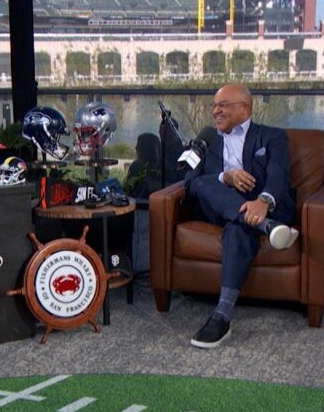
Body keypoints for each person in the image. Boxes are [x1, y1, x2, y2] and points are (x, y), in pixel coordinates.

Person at [184, 83, 299, 348]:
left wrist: (262, 201)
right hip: (221, 206)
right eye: (214, 106)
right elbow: (189, 184)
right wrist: (226, 177)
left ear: (244, 108)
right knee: (202, 183)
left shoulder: (272, 136)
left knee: (238, 230)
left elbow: (279, 174)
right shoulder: (206, 140)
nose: (216, 111)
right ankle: (267, 227)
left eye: (223, 105)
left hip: (260, 206)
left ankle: (221, 316)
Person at [124, 132, 162, 199]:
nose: (136, 148)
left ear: (147, 149)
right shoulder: (135, 165)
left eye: (139, 145)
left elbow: (128, 190)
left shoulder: (161, 168)